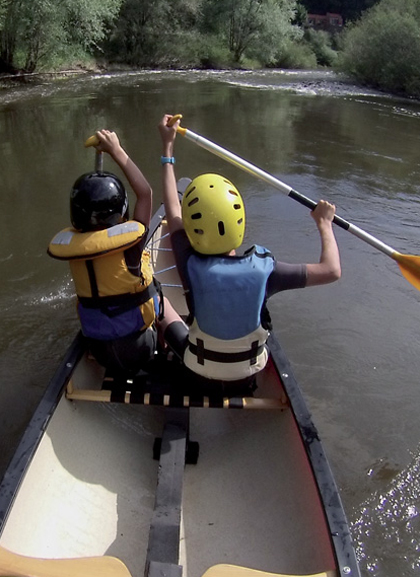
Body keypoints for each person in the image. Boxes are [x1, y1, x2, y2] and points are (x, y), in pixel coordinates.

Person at [157, 113, 341, 388]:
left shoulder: (187, 261)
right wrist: (324, 223)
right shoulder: (267, 272)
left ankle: (163, 355)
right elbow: (331, 271)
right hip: (248, 374)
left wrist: (167, 148)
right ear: (240, 221)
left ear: (193, 230)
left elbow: (172, 209)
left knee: (159, 301)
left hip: (198, 367)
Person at [48, 129, 180, 376]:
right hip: (140, 349)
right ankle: (180, 344)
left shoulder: (74, 250)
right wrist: (117, 150)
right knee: (159, 295)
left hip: (100, 351)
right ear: (122, 211)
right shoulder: (131, 245)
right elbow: (145, 193)